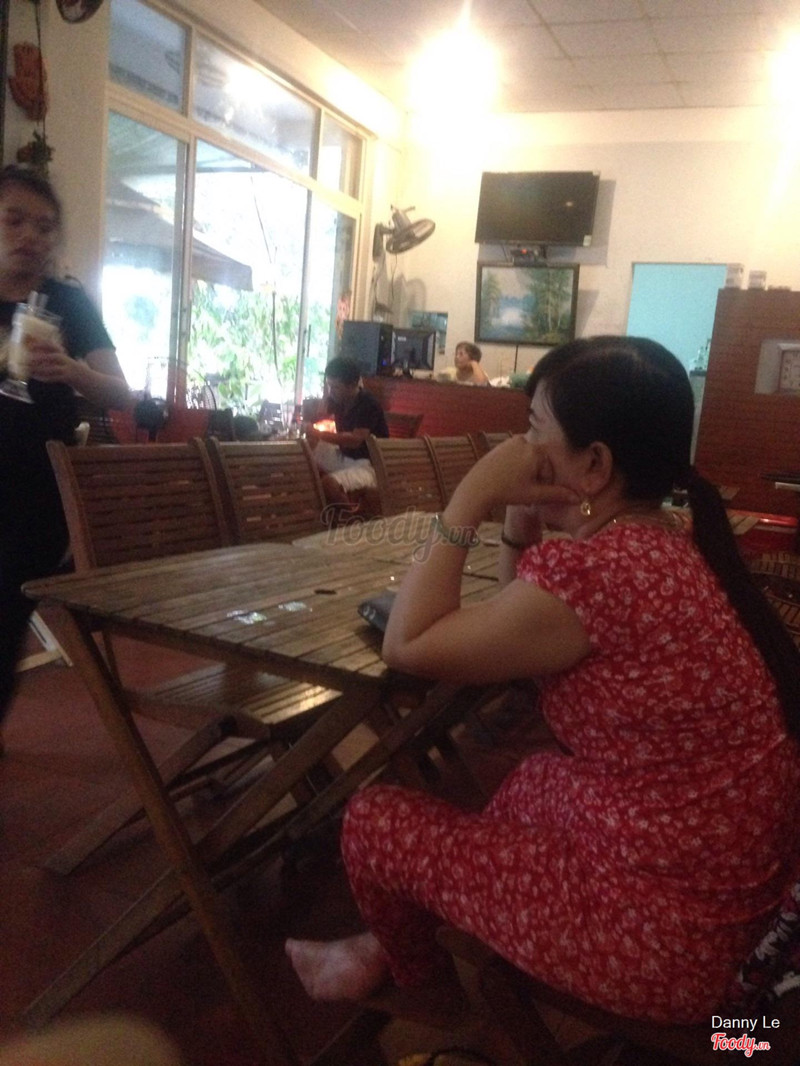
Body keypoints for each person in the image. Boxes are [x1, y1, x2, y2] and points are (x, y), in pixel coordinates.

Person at [286, 335, 800, 1024]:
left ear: (594, 464)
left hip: (668, 949)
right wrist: (518, 522)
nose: (521, 447)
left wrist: (469, 497)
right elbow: (516, 634)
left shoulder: (595, 574)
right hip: (731, 904)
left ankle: (422, 984)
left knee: (374, 821)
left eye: (533, 428)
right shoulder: (664, 541)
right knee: (539, 780)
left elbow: (407, 644)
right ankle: (412, 932)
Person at [0, 165, 130, 728]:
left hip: (34, 494)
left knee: (4, 618)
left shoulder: (67, 303)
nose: (30, 235)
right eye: (14, 220)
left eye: (45, 226)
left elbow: (120, 392)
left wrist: (74, 372)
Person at [305, 355, 388, 513]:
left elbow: (354, 440)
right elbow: (317, 416)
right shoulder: (338, 400)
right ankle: (312, 508)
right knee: (306, 453)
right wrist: (325, 397)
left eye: (335, 387)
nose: (331, 391)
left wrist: (318, 433)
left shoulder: (368, 404)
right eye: (329, 385)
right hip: (345, 457)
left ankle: (353, 519)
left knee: (328, 484)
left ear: (352, 385)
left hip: (369, 466)